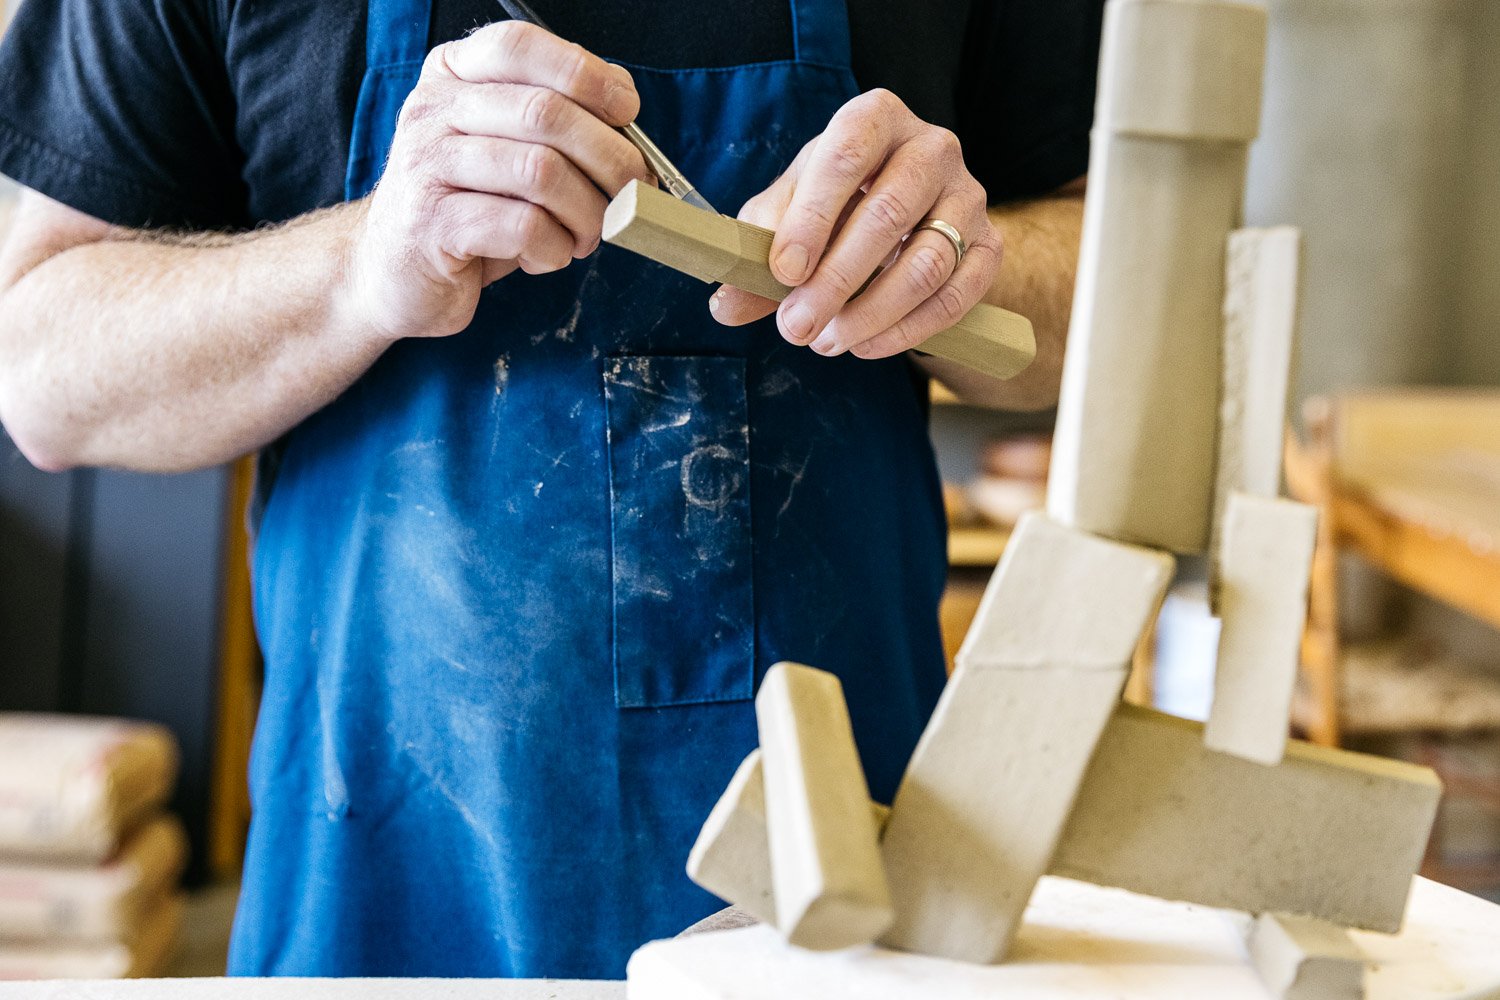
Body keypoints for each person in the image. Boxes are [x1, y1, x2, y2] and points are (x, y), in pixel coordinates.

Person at [0, 0, 1102, 979]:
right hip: (387, 886)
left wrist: (965, 259)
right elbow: (43, 373)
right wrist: (362, 266)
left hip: (849, 898)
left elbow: (1128, 295)